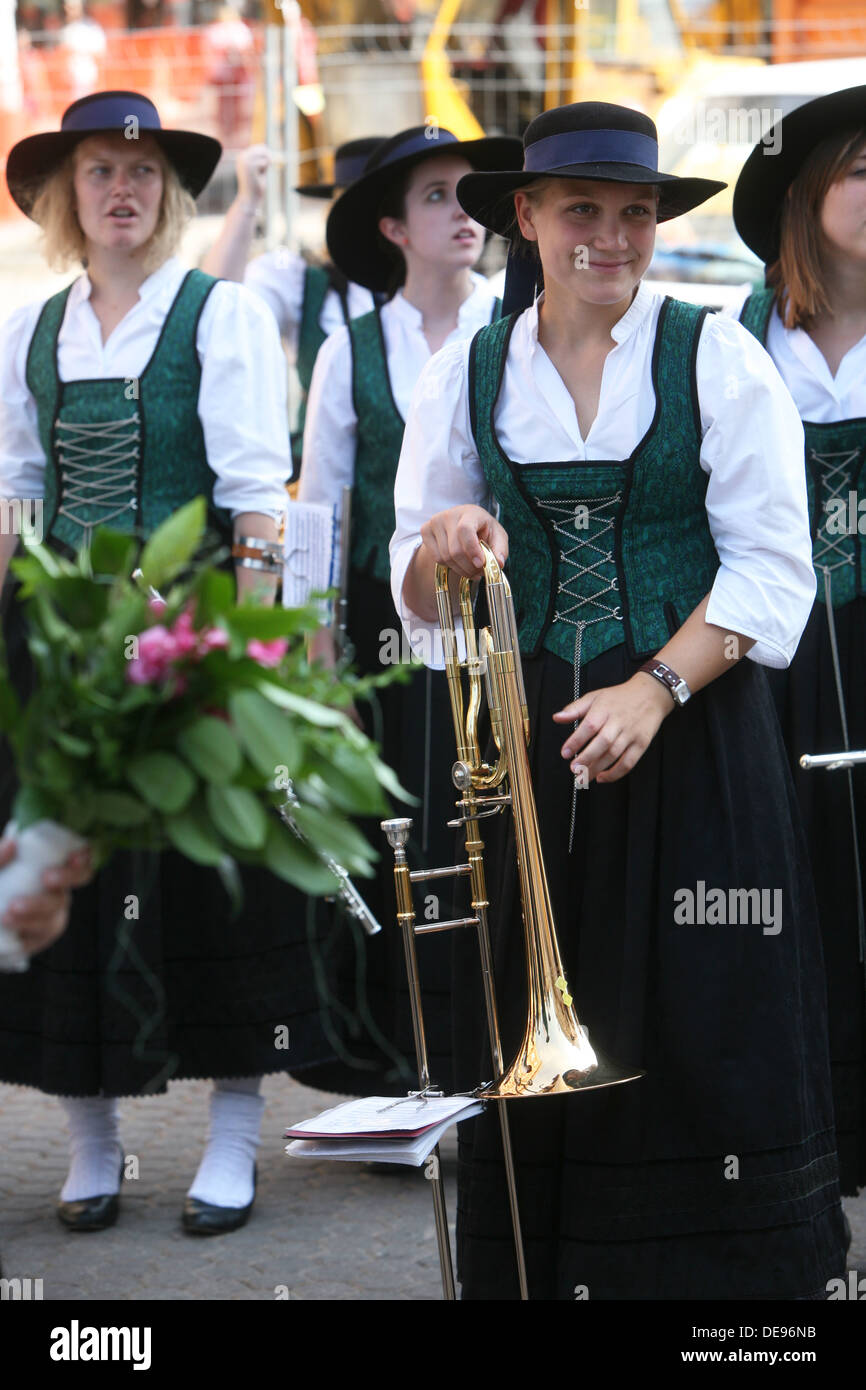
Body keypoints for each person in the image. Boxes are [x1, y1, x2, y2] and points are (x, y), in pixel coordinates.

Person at [390, 100, 848, 1299]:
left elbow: (768, 568)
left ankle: (720, 1298)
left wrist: (651, 690)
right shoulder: (464, 368)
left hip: (693, 738)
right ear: (526, 219)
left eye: (634, 212)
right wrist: (443, 540)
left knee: (705, 1021)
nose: (610, 235)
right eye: (580, 209)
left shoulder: (714, 354)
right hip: (530, 743)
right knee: (537, 1021)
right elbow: (418, 586)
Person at [0, 90, 327, 1237]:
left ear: (172, 195)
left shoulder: (218, 315)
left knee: (212, 887)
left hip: (187, 643)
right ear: (63, 195)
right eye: (99, 171)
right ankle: (92, 1145)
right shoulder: (31, 330)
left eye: (143, 172)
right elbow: (15, 501)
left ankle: (231, 1140)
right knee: (75, 892)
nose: (122, 190)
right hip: (63, 655)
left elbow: (256, 507)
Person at [293, 125, 521, 1095]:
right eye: (434, 196)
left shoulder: (515, 327)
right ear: (390, 225)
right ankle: (408, 1070)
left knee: (497, 839)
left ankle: (501, 1055)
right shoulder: (348, 352)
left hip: (502, 622)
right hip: (384, 641)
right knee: (409, 847)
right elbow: (315, 512)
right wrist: (315, 667)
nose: (460, 210)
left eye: (472, 193)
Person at [732, 84, 866, 1200]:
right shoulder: (733, 341)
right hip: (767, 653)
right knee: (781, 886)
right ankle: (801, 1142)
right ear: (805, 194)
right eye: (860, 171)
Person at [202, 138, 385, 476]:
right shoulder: (300, 281)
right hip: (317, 478)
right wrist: (247, 202)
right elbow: (215, 303)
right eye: (348, 207)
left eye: (378, 205)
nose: (362, 221)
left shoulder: (441, 294)